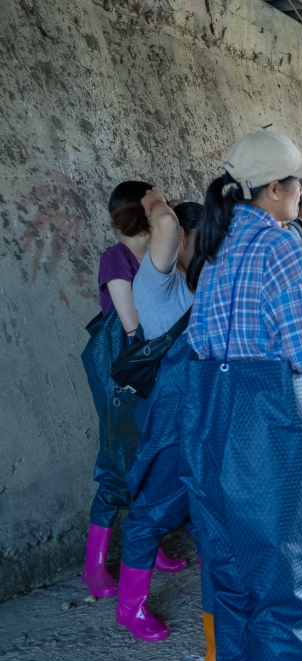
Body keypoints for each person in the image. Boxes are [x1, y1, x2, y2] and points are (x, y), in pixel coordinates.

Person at [181, 130, 302, 661]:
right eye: (300, 182)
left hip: (208, 411)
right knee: (282, 579)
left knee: (227, 574)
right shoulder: (282, 247)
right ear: (274, 189)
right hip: (268, 420)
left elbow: (198, 340)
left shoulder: (215, 250)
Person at [115, 192, 199, 642]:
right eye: (200, 241)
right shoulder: (156, 280)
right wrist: (156, 200)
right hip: (171, 419)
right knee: (150, 512)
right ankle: (130, 608)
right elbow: (165, 224)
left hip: (201, 417)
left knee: (206, 506)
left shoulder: (195, 281)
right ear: (184, 235)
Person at [81, 180, 159, 600]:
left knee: (153, 458)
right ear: (138, 209)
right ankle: (94, 566)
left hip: (152, 367)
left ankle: (148, 545)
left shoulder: (157, 254)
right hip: (124, 372)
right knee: (118, 464)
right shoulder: (116, 259)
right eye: (155, 198)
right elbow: (132, 326)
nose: (163, 203)